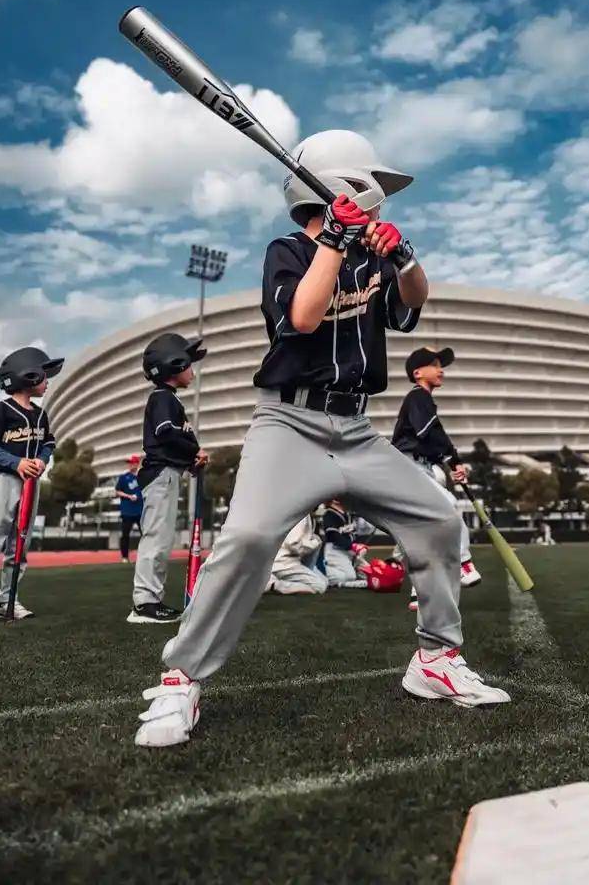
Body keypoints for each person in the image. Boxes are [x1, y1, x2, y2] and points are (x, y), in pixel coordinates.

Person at [132, 129, 510, 747]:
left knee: (440, 518)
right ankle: (182, 678)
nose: (382, 195)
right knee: (249, 537)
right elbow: (303, 317)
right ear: (343, 186)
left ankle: (435, 659)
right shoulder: (285, 252)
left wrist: (403, 256)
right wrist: (334, 238)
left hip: (355, 429)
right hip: (289, 424)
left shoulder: (373, 258)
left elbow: (412, 303)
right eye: (372, 184)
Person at [0, 346, 63, 623]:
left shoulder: (40, 414)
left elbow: (48, 444)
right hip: (4, 481)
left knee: (19, 546)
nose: (47, 381)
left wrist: (42, 460)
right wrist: (16, 462)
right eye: (44, 375)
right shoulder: (1, 410)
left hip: (31, 485)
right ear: (28, 375)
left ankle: (8, 599)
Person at [127, 334, 209, 624]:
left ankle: (151, 600)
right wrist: (194, 451)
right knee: (157, 539)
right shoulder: (162, 398)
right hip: (161, 475)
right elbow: (166, 433)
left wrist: (191, 460)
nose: (192, 370)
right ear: (173, 365)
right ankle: (145, 604)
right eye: (188, 364)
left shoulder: (169, 398)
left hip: (167, 474)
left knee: (162, 539)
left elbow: (173, 439)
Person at [392, 347, 482, 611]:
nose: (441, 370)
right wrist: (454, 459)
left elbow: (434, 437)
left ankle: (419, 593)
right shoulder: (418, 397)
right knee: (448, 507)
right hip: (408, 467)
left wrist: (454, 463)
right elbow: (430, 433)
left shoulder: (423, 401)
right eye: (434, 364)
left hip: (419, 466)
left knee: (426, 533)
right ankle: (463, 563)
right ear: (417, 373)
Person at [266, 514, 328, 595]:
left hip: (279, 561)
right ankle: (274, 584)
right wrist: (315, 542)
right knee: (319, 586)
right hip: (284, 562)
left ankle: (273, 579)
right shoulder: (301, 516)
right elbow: (293, 544)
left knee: (324, 580)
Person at [322, 499, 368, 587]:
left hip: (349, 551)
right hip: (335, 551)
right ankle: (321, 572)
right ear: (335, 500)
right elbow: (333, 536)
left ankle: (353, 569)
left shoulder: (348, 514)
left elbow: (355, 533)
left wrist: (356, 546)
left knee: (369, 573)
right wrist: (353, 546)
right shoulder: (329, 514)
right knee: (348, 577)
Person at [115, 453, 144, 563]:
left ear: (137, 464)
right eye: (130, 463)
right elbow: (117, 491)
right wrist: (128, 496)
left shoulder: (142, 477)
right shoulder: (123, 478)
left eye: (133, 463)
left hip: (140, 511)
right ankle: (125, 557)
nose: (131, 465)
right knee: (125, 535)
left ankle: (144, 556)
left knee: (144, 534)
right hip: (127, 511)